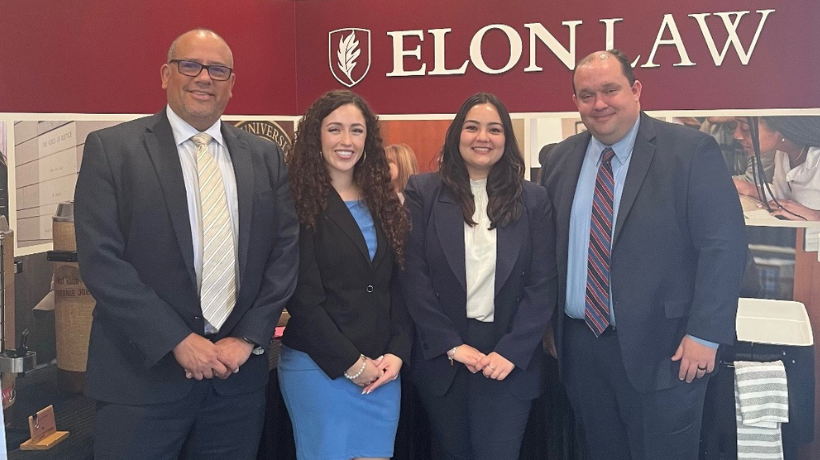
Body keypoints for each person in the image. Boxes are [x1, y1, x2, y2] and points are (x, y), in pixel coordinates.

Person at [74, 29, 299, 459]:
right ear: (165, 74)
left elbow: (284, 253)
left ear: (232, 84)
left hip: (235, 383)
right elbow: (101, 260)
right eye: (190, 65)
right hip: (140, 380)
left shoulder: (265, 156)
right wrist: (177, 339)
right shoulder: (112, 150)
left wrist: (249, 338)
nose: (204, 78)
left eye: (218, 70)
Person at [540, 50, 747, 460]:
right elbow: (549, 250)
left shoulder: (690, 152)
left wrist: (706, 334)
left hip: (667, 351)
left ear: (635, 90)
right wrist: (547, 324)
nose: (599, 104)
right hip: (582, 349)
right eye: (586, 95)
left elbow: (723, 245)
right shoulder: (559, 158)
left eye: (610, 90)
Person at [403, 92, 557, 460]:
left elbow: (543, 282)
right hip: (446, 356)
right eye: (472, 127)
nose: (482, 137)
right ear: (457, 134)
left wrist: (511, 351)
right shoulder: (423, 192)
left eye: (494, 129)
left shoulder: (534, 199)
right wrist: (451, 344)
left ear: (507, 139)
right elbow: (412, 277)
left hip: (508, 358)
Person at [278, 89, 411, 460]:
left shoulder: (383, 201)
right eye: (335, 129)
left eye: (356, 130)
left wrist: (397, 353)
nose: (346, 141)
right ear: (315, 136)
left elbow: (398, 286)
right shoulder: (295, 201)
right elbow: (303, 298)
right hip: (320, 368)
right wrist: (352, 364)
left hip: (382, 372)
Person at [734, 116, 820, 220]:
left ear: (780, 127)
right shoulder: (781, 153)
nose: (736, 135)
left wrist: (815, 215)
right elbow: (784, 196)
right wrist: (750, 189)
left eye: (745, 128)